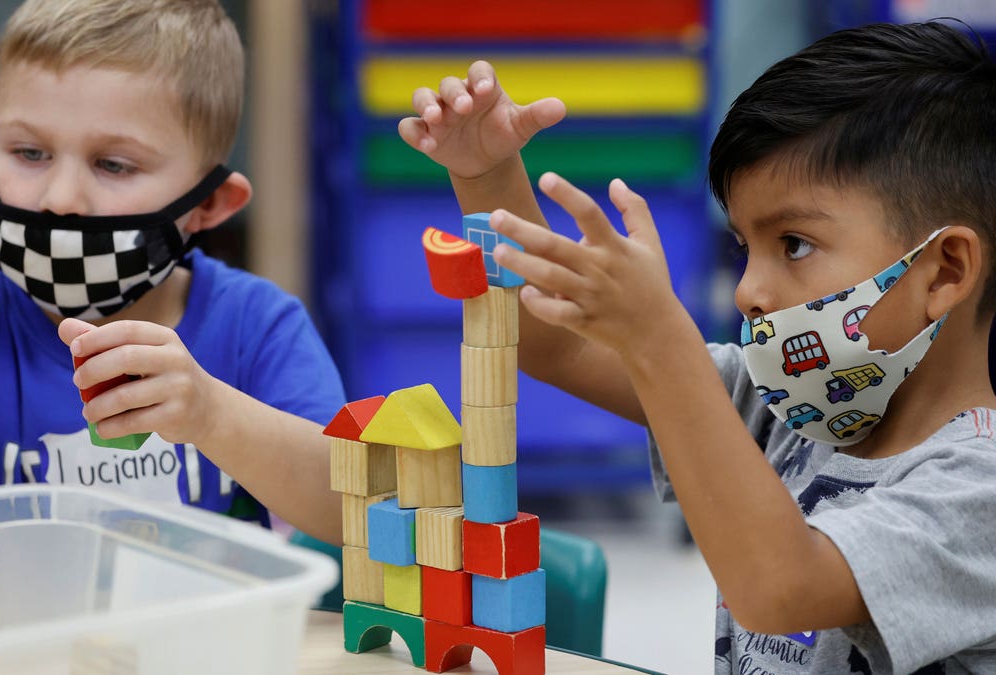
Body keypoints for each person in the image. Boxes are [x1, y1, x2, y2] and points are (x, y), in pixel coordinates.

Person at [400, 21, 996, 674]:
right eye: (746, 247)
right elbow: (556, 345)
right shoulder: (786, 404)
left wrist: (660, 337)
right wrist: (487, 175)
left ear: (944, 271)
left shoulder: (977, 487)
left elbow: (780, 589)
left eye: (793, 244)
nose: (749, 290)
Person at [0, 0, 345, 544]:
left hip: (192, 631)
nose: (60, 199)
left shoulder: (257, 325)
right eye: (30, 153)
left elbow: (353, 515)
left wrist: (211, 414)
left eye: (114, 164)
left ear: (211, 204)